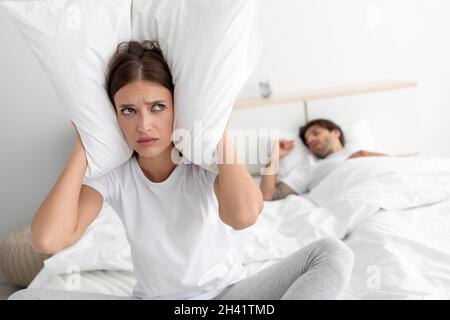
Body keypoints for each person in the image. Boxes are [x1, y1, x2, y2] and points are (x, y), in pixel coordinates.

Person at [9, 41, 353, 300]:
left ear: (177, 107)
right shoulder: (114, 175)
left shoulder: (202, 162)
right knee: (26, 297)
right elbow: (47, 238)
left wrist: (216, 128)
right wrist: (83, 147)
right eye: (128, 111)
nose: (144, 124)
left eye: (157, 107)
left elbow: (244, 216)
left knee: (332, 252)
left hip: (226, 298)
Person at [261, 119, 386, 201]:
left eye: (315, 133)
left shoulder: (361, 153)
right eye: (307, 141)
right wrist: (274, 156)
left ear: (335, 133)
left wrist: (363, 155)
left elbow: (398, 164)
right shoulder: (311, 165)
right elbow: (268, 195)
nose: (310, 140)